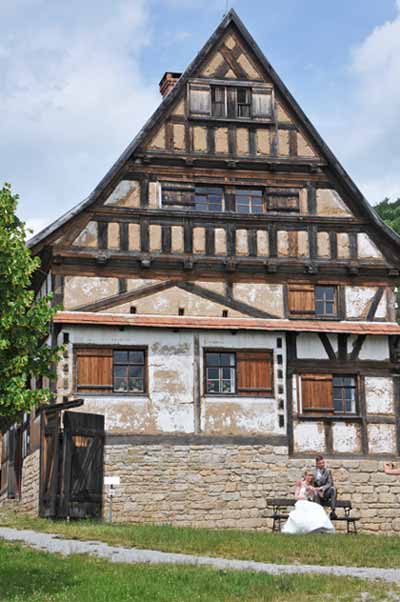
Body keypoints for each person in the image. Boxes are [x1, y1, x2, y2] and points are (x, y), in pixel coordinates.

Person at [313, 455, 337, 519]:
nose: (322, 464)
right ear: (317, 464)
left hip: (325, 493)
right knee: (315, 493)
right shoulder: (313, 472)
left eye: (323, 463)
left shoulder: (327, 471)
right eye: (320, 463)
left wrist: (323, 488)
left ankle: (333, 511)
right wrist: (318, 490)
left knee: (333, 489)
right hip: (316, 494)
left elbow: (330, 483)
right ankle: (318, 513)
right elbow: (311, 484)